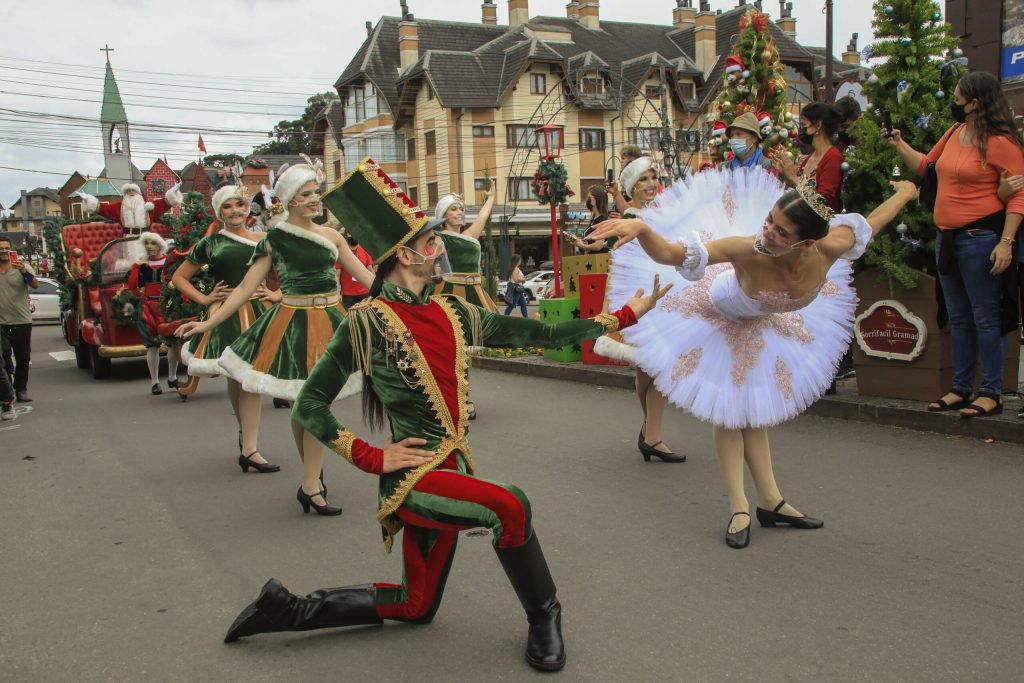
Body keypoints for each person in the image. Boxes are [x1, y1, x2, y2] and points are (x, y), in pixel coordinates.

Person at [222, 159, 668, 673]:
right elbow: (309, 405)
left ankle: (291, 608)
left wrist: (626, 314)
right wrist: (372, 456)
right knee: (511, 506)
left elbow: (540, 335)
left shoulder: (454, 311)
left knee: (417, 606)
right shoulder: (364, 323)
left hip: (454, 467)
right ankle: (545, 614)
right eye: (431, 243)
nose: (439, 250)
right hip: (416, 477)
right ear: (405, 254)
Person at [589, 167, 920, 549]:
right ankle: (739, 506)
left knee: (755, 412)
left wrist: (907, 192)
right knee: (731, 411)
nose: (768, 234)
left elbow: (874, 221)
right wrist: (643, 230)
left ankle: (770, 500)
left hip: (760, 324)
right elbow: (672, 254)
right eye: (769, 222)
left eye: (781, 232)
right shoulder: (746, 248)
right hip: (715, 317)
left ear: (807, 242)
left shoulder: (831, 247)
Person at [177, 160, 375, 516]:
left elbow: (367, 278)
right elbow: (243, 289)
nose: (315, 199)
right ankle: (312, 483)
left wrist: (409, 296)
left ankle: (311, 483)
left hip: (331, 319)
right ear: (289, 201)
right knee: (308, 403)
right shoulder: (275, 239)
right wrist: (207, 324)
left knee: (309, 404)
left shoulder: (332, 236)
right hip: (293, 324)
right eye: (306, 194)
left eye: (316, 192)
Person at [886, 72, 1024, 418]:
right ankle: (961, 388)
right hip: (948, 239)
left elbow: (1019, 197)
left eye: (959, 98)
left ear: (976, 104)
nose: (954, 102)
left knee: (986, 318)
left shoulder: (1000, 142)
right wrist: (899, 144)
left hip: (980, 240)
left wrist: (1006, 242)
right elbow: (927, 167)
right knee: (960, 318)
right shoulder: (954, 132)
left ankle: (991, 392)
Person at [174, 184, 280, 474]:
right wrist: (205, 298)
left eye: (239, 205)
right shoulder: (211, 243)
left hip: (259, 310)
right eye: (228, 206)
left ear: (248, 208)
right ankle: (248, 440)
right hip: (226, 314)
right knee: (235, 377)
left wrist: (277, 294)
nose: (235, 211)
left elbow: (291, 271)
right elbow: (179, 277)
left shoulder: (265, 239)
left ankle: (249, 446)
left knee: (249, 378)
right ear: (219, 211)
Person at [595, 156, 685, 463]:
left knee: (649, 367)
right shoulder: (634, 217)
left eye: (653, 177)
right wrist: (613, 307)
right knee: (656, 366)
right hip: (643, 299)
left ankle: (650, 432)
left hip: (659, 297)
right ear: (632, 187)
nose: (650, 184)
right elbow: (621, 266)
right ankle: (653, 436)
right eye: (643, 179)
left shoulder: (655, 215)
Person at [435, 182, 499, 420]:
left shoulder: (469, 236)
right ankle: (460, 397)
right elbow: (438, 271)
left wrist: (491, 198)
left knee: (464, 353)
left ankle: (460, 395)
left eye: (461, 208)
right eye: (453, 209)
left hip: (473, 295)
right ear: (443, 215)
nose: (460, 212)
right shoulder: (438, 237)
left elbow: (483, 216)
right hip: (450, 294)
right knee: (454, 352)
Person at [126, 232, 180, 395]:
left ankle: (172, 377)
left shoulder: (170, 262)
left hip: (167, 305)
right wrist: (136, 266)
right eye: (147, 243)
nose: (149, 246)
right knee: (152, 345)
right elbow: (132, 285)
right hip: (148, 306)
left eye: (153, 243)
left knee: (172, 342)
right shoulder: (142, 264)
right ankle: (155, 381)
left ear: (160, 245)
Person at [772, 102, 846, 214]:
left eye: (804, 125)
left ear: (818, 126)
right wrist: (786, 173)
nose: (801, 130)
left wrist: (793, 177)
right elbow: (795, 193)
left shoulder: (833, 157)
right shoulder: (810, 157)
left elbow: (822, 203)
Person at [0, 238, 36, 403]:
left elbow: (35, 284)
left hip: (21, 320)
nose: (4, 251)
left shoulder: (22, 267)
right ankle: (7, 389)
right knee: (4, 357)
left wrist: (24, 272)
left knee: (23, 357)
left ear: (11, 250)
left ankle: (21, 389)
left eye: (7, 248)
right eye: (1, 249)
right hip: (2, 323)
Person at [79, 182, 183, 235]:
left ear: (139, 193)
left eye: (134, 191)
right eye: (128, 191)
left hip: (145, 239)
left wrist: (173, 192)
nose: (131, 193)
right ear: (125, 194)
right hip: (127, 240)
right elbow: (102, 208)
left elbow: (165, 203)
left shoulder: (148, 207)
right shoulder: (119, 208)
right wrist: (88, 200)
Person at [567, 185, 612, 253]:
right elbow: (590, 242)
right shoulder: (595, 219)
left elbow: (598, 245)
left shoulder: (603, 220)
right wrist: (577, 240)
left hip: (598, 261)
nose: (587, 199)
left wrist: (582, 246)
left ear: (593, 200)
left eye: (589, 197)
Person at [340, 231, 374, 310]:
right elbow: (336, 275)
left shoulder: (364, 250)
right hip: (348, 295)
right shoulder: (342, 252)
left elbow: (371, 271)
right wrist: (337, 294)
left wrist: (374, 290)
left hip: (365, 293)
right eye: (350, 234)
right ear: (346, 237)